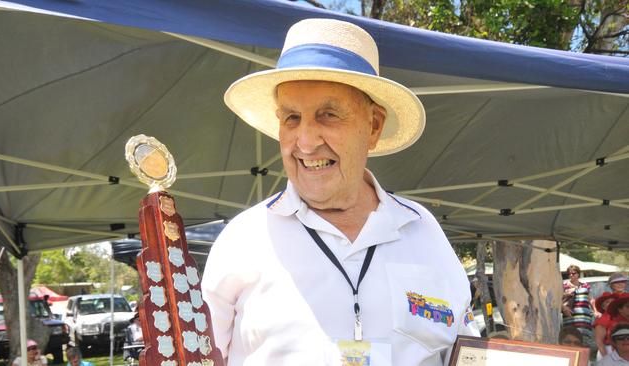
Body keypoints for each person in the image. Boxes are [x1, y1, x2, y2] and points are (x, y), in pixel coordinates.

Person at [202, 18, 479, 366]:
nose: (305, 141)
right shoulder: (242, 240)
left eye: (328, 115)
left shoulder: (421, 229)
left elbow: (467, 353)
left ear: (373, 125)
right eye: (291, 118)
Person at [563, 265, 594, 349]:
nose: (571, 275)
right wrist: (566, 294)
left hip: (584, 319)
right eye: (569, 274)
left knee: (584, 341)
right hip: (570, 318)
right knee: (570, 340)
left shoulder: (585, 286)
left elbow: (591, 299)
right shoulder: (564, 286)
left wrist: (596, 311)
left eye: (573, 273)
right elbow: (557, 299)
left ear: (578, 274)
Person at [596, 293, 629, 360]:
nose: (610, 303)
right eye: (607, 302)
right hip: (609, 351)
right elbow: (599, 342)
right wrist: (607, 358)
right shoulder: (604, 319)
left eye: (612, 301)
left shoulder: (624, 317)